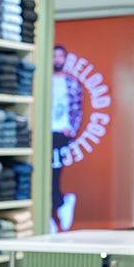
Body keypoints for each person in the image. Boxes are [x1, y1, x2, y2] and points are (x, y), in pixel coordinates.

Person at [51, 43, 82, 232]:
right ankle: (59, 203)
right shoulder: (44, 81)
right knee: (46, 172)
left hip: (61, 133)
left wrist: (71, 129)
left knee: (55, 170)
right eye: (54, 56)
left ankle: (58, 204)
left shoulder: (72, 83)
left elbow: (77, 109)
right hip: (46, 132)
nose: (57, 60)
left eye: (60, 56)